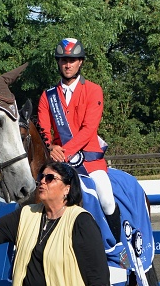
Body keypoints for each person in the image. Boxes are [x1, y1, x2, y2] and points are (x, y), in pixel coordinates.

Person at [36, 38, 121, 242]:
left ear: (80, 62)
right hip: (55, 160)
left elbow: (89, 129)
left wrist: (64, 151)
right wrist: (50, 146)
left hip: (89, 160)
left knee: (107, 199)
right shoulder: (47, 96)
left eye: (72, 60)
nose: (68, 64)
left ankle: (117, 246)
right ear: (58, 62)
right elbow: (42, 130)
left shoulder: (93, 90)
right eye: (64, 60)